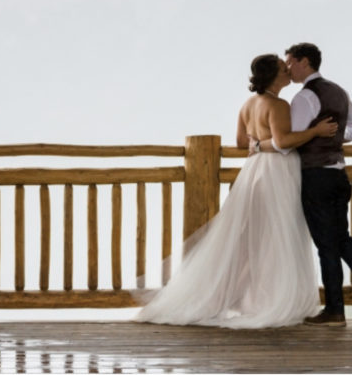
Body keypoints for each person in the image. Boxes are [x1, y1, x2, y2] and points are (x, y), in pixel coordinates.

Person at [133, 54, 337, 329]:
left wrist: (257, 144)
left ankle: (241, 298)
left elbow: (242, 142)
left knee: (255, 236)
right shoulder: (277, 105)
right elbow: (283, 141)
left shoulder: (247, 105)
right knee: (276, 237)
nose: (287, 70)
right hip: (276, 172)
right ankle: (268, 301)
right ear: (273, 75)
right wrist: (315, 131)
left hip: (253, 172)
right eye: (282, 68)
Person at [284, 42, 352, 327]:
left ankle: (335, 311)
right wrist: (336, 140)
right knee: (342, 239)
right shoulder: (338, 91)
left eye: (290, 62)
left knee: (326, 245)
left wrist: (315, 137)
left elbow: (292, 140)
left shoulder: (304, 97)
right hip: (339, 175)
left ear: (304, 61)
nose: (287, 68)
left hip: (316, 176)